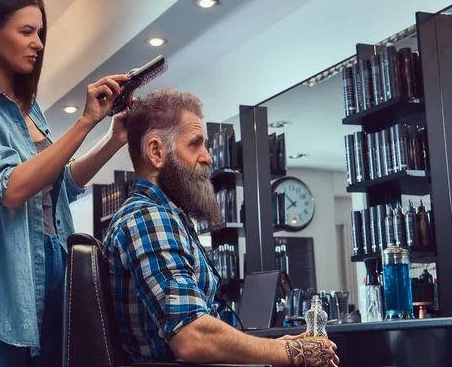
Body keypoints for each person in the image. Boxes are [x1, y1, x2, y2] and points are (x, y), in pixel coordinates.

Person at [0, 0, 134, 367]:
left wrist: (111, 137)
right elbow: (9, 189)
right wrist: (83, 122)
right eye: (26, 31)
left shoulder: (32, 112)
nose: (39, 43)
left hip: (52, 280)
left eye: (40, 33)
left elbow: (60, 188)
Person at [103, 88, 339, 366]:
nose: (208, 157)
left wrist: (273, 346)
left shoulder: (166, 217)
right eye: (195, 144)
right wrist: (287, 354)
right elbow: (192, 337)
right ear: (156, 151)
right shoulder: (148, 218)